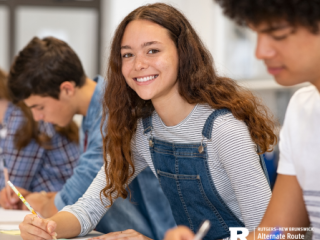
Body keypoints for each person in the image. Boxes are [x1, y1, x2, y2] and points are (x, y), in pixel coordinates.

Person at [18, 3, 277, 240]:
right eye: (127, 55)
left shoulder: (223, 130)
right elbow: (88, 208)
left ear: (183, 54)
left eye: (152, 51)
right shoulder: (143, 132)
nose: (138, 64)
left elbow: (273, 233)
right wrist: (47, 227)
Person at [164, 0, 320, 240]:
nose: (260, 52)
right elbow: (278, 232)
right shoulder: (303, 109)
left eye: (277, 34)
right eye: (256, 34)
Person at [8, 36, 175, 240]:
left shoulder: (113, 113)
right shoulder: (91, 115)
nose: (37, 117)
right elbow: (87, 199)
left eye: (39, 107)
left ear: (67, 89)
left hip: (154, 233)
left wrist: (43, 203)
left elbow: (74, 195)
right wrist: (44, 203)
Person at [0, 68, 79, 209]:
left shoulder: (20, 117)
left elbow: (12, 189)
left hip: (65, 205)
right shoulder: (12, 118)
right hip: (56, 203)